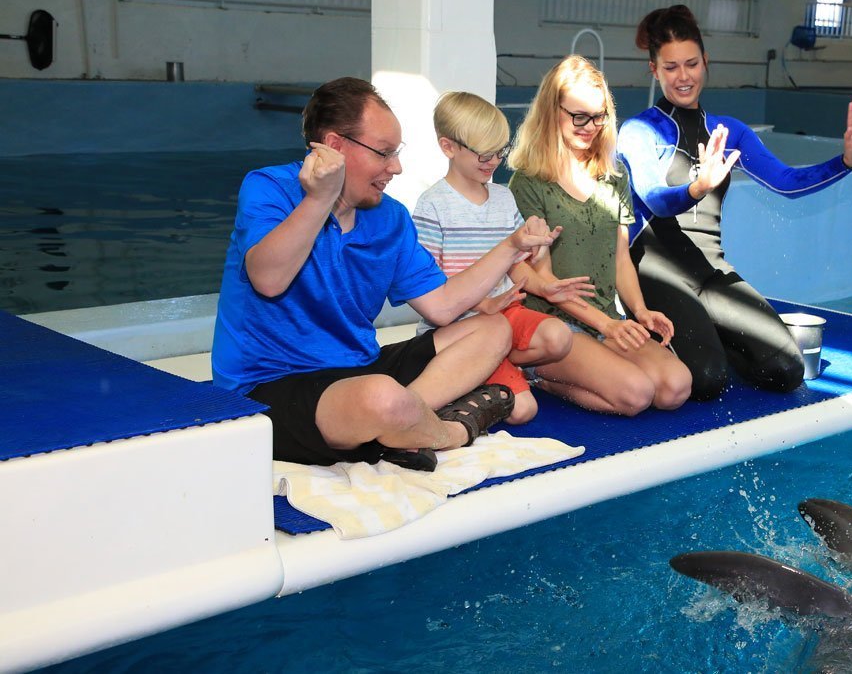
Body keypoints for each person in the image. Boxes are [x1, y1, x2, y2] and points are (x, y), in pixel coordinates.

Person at [212, 77, 557, 471]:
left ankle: (404, 424)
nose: (396, 167)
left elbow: (443, 307)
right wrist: (321, 197)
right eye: (384, 153)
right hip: (269, 386)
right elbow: (268, 279)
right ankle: (451, 431)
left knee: (493, 329)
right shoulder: (268, 188)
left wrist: (512, 245)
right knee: (381, 398)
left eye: (396, 153)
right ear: (335, 147)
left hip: (357, 369)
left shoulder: (389, 216)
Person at [617, 4, 852, 401]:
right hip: (655, 274)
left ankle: (712, 336)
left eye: (691, 64)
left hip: (710, 271)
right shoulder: (639, 131)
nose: (683, 76)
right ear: (654, 69)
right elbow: (655, 198)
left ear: (706, 62)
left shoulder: (729, 131)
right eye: (670, 67)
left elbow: (787, 183)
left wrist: (845, 163)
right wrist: (696, 188)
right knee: (705, 380)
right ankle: (673, 340)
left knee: (786, 370)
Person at [507, 55, 692, 416]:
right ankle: (536, 374)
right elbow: (543, 280)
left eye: (598, 115)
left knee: (674, 388)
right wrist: (605, 325)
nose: (590, 126)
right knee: (637, 394)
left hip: (607, 318)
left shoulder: (613, 175)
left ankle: (601, 359)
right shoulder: (528, 184)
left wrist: (639, 312)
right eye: (578, 116)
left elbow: (620, 257)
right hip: (553, 326)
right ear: (551, 111)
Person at [414, 91, 592, 425]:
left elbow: (516, 265)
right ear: (448, 147)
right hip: (462, 325)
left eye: (500, 151)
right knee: (524, 411)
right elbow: (429, 286)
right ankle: (464, 378)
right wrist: (482, 307)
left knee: (560, 337)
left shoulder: (503, 197)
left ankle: (489, 367)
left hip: (505, 314)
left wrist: (545, 288)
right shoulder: (432, 205)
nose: (493, 161)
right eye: (483, 154)